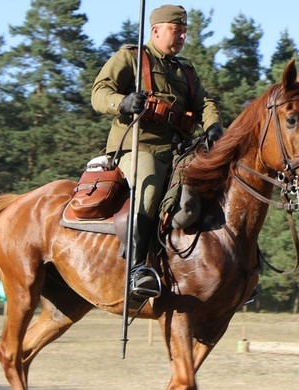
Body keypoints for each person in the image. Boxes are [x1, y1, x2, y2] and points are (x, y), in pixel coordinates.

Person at [92, 4, 223, 298]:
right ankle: (136, 268)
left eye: (185, 32)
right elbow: (99, 93)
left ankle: (227, 269)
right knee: (149, 186)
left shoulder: (186, 70)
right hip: (138, 146)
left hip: (177, 151)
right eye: (177, 31)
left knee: (216, 184)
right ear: (156, 30)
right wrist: (123, 103)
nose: (182, 37)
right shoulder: (131, 58)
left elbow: (205, 104)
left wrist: (213, 126)